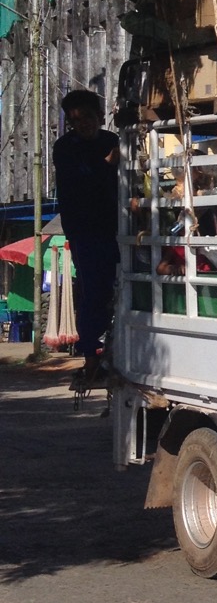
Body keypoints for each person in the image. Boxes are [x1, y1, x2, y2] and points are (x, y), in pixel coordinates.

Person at [52, 89, 119, 383]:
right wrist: (107, 164)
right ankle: (91, 356)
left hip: (116, 227)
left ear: (100, 117)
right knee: (93, 291)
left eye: (88, 117)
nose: (83, 124)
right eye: (75, 120)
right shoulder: (65, 148)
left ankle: (116, 350)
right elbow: (82, 180)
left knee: (121, 289)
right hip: (84, 231)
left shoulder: (112, 140)